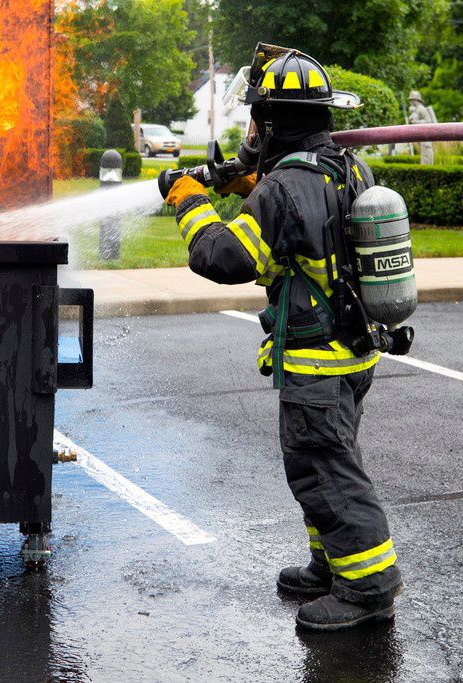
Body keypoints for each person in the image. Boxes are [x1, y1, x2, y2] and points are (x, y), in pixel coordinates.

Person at [164, 46, 403, 631]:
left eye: (256, 120)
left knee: (323, 470)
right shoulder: (348, 169)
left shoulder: (284, 189)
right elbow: (306, 224)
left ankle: (367, 587)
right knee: (331, 461)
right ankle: (331, 567)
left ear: (271, 121)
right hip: (353, 353)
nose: (251, 132)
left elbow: (224, 257)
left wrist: (190, 202)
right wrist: (252, 181)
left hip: (315, 363)